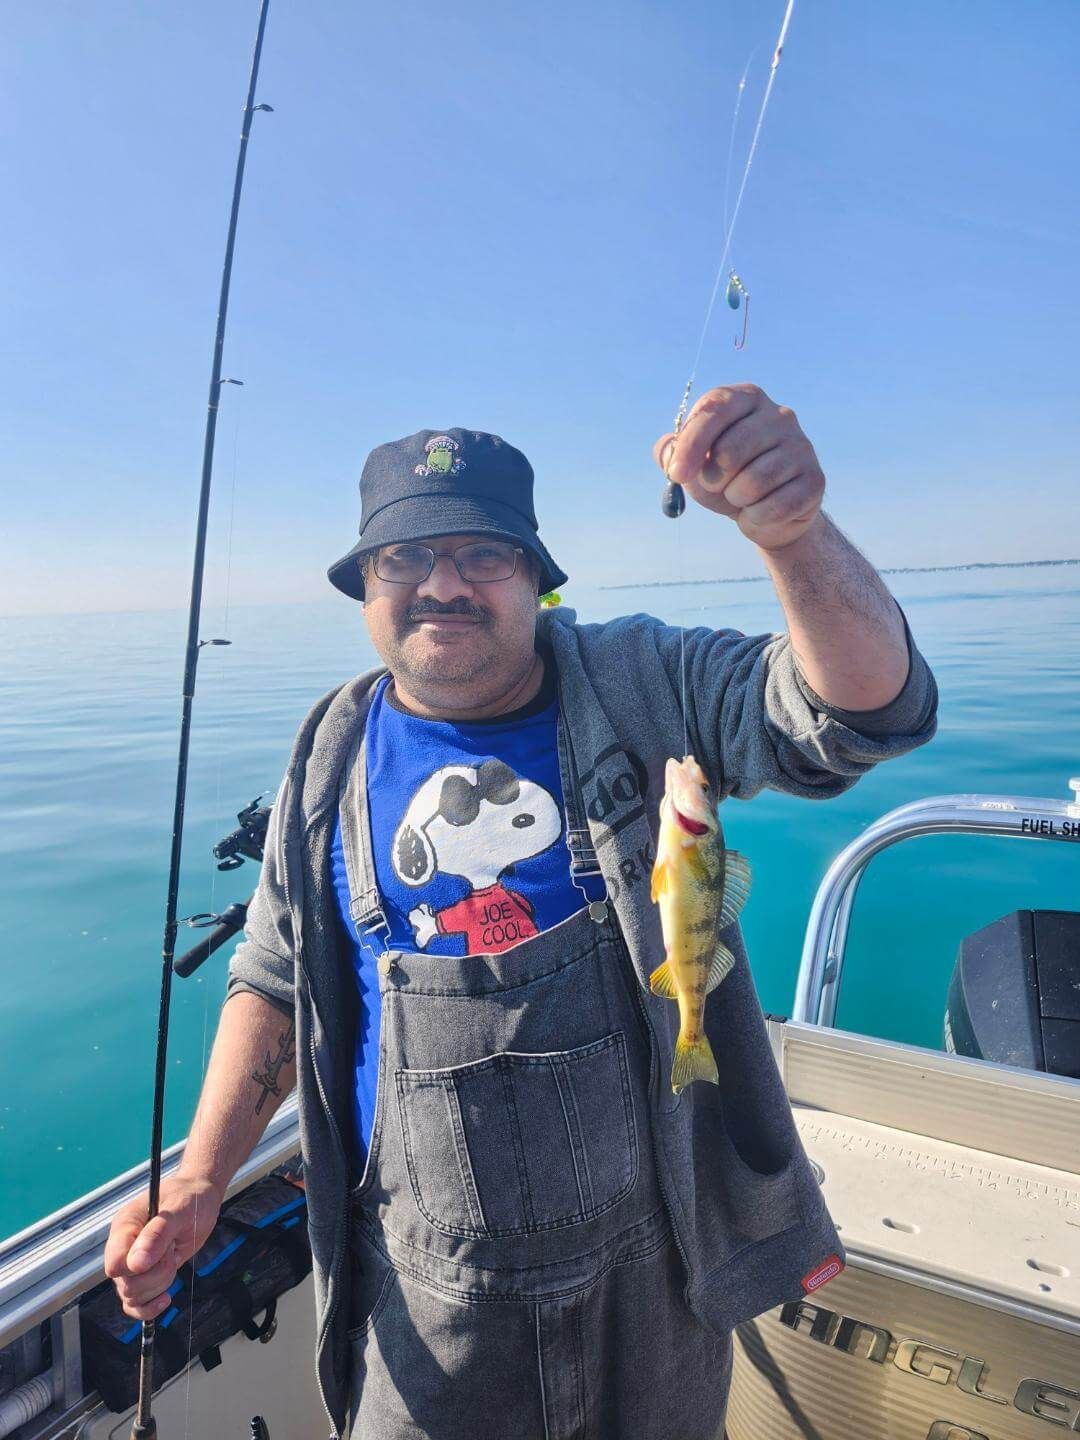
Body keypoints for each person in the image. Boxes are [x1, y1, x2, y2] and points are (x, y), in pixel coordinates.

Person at [105, 385, 938, 1439]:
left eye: (483, 555)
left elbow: (860, 715)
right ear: (364, 586)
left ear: (537, 580)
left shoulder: (640, 683)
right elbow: (275, 977)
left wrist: (794, 534)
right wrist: (201, 1175)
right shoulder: (327, 753)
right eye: (405, 557)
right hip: (420, 1304)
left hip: (658, 1281)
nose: (442, 584)